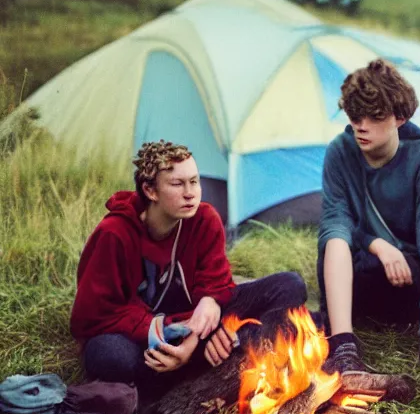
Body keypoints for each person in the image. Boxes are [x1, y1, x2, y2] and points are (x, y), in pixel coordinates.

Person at [70, 140, 307, 399]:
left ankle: (213, 358)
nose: (190, 193)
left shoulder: (205, 219)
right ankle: (221, 358)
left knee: (289, 284)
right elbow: (93, 314)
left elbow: (218, 282)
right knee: (110, 357)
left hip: (192, 327)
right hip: (143, 337)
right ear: (150, 190)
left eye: (194, 182)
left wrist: (210, 307)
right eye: (177, 184)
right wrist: (179, 333)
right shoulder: (114, 234)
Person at [317, 58, 420, 391]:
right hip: (360, 272)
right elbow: (336, 222)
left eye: (375, 118)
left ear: (399, 118)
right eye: (354, 116)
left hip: (409, 278)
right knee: (334, 240)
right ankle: (343, 347)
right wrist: (377, 244)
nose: (361, 126)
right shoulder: (339, 151)